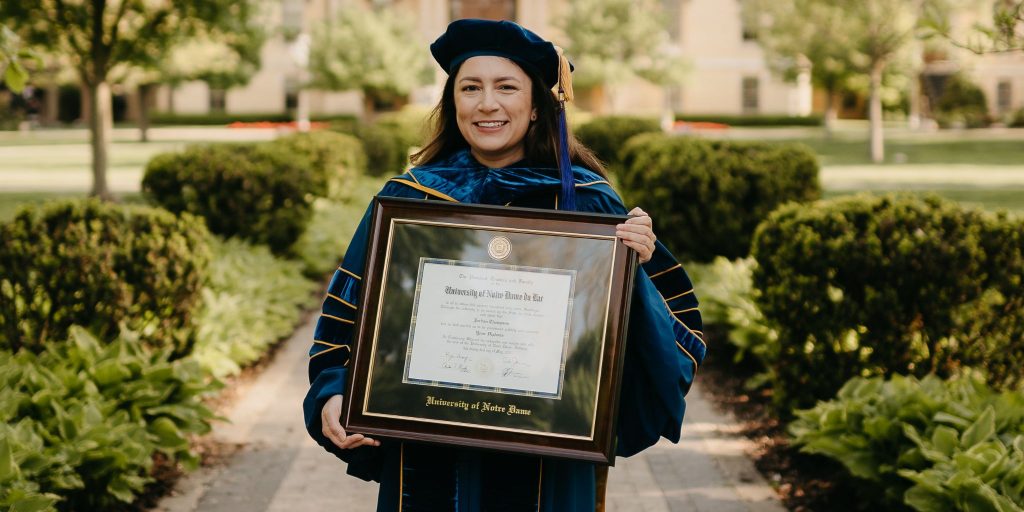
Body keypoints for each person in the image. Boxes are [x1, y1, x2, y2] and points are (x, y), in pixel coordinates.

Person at [303, 19, 705, 511]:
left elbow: (657, 344)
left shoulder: (587, 206)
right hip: (426, 449)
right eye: (470, 88)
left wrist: (635, 267)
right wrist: (333, 392)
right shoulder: (411, 202)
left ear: (536, 106)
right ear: (453, 103)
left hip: (547, 458)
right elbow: (347, 315)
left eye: (506, 87)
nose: (486, 103)